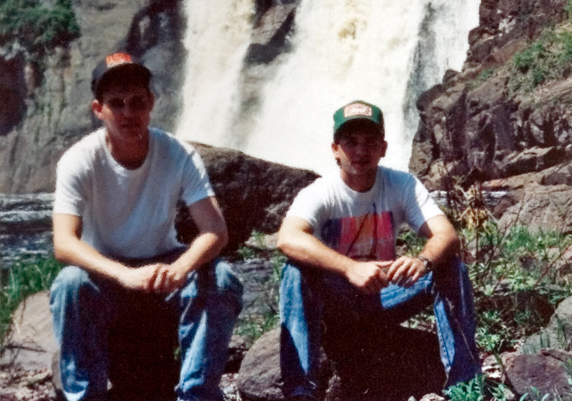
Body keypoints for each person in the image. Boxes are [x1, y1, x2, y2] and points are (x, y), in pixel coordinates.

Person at [49, 51, 243, 401]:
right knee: (69, 284)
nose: (128, 113)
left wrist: (181, 268)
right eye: (116, 103)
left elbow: (215, 231)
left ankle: (196, 394)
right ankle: (83, 396)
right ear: (99, 110)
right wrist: (123, 274)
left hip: (164, 272)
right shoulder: (78, 160)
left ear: (151, 103)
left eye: (137, 101)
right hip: (107, 278)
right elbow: (64, 244)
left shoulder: (179, 153)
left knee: (222, 278)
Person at [277, 100, 481, 400]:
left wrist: (422, 261)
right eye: (351, 142)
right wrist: (349, 268)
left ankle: (465, 385)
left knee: (449, 266)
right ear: (335, 149)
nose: (361, 151)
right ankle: (299, 392)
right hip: (338, 304)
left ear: (383, 148)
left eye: (371, 142)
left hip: (386, 296)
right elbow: (288, 238)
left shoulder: (402, 185)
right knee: (295, 270)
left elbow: (447, 236)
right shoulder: (319, 192)